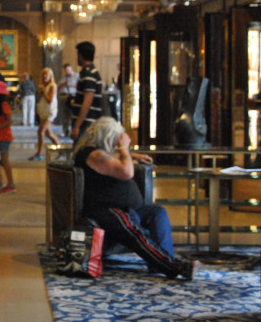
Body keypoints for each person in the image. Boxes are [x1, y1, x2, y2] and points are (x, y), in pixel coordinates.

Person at [74, 117, 198, 280]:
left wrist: (134, 155)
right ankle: (175, 267)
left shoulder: (98, 151)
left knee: (157, 212)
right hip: (107, 210)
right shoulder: (93, 154)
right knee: (135, 233)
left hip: (124, 207)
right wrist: (124, 149)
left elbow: (111, 155)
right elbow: (127, 172)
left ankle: (160, 261)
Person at [70, 41, 103, 142]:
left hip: (86, 123)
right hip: (87, 122)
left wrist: (77, 125)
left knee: (82, 154)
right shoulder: (89, 72)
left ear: (81, 55)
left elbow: (87, 101)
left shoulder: (89, 74)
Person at [30, 67, 60, 161]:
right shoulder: (43, 85)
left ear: (50, 75)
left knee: (40, 131)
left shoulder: (52, 86)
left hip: (50, 112)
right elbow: (39, 97)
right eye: (43, 74)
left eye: (46, 74)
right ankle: (59, 148)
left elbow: (49, 100)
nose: (44, 76)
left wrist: (43, 91)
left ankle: (39, 153)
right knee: (49, 133)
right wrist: (40, 91)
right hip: (43, 111)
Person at [58, 63, 78, 138]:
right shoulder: (63, 77)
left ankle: (73, 130)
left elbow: (80, 86)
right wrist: (62, 84)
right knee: (65, 115)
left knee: (73, 114)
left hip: (73, 96)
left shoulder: (76, 76)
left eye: (68, 69)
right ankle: (65, 130)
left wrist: (71, 85)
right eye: (65, 70)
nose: (67, 71)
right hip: (64, 96)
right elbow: (58, 86)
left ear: (71, 69)